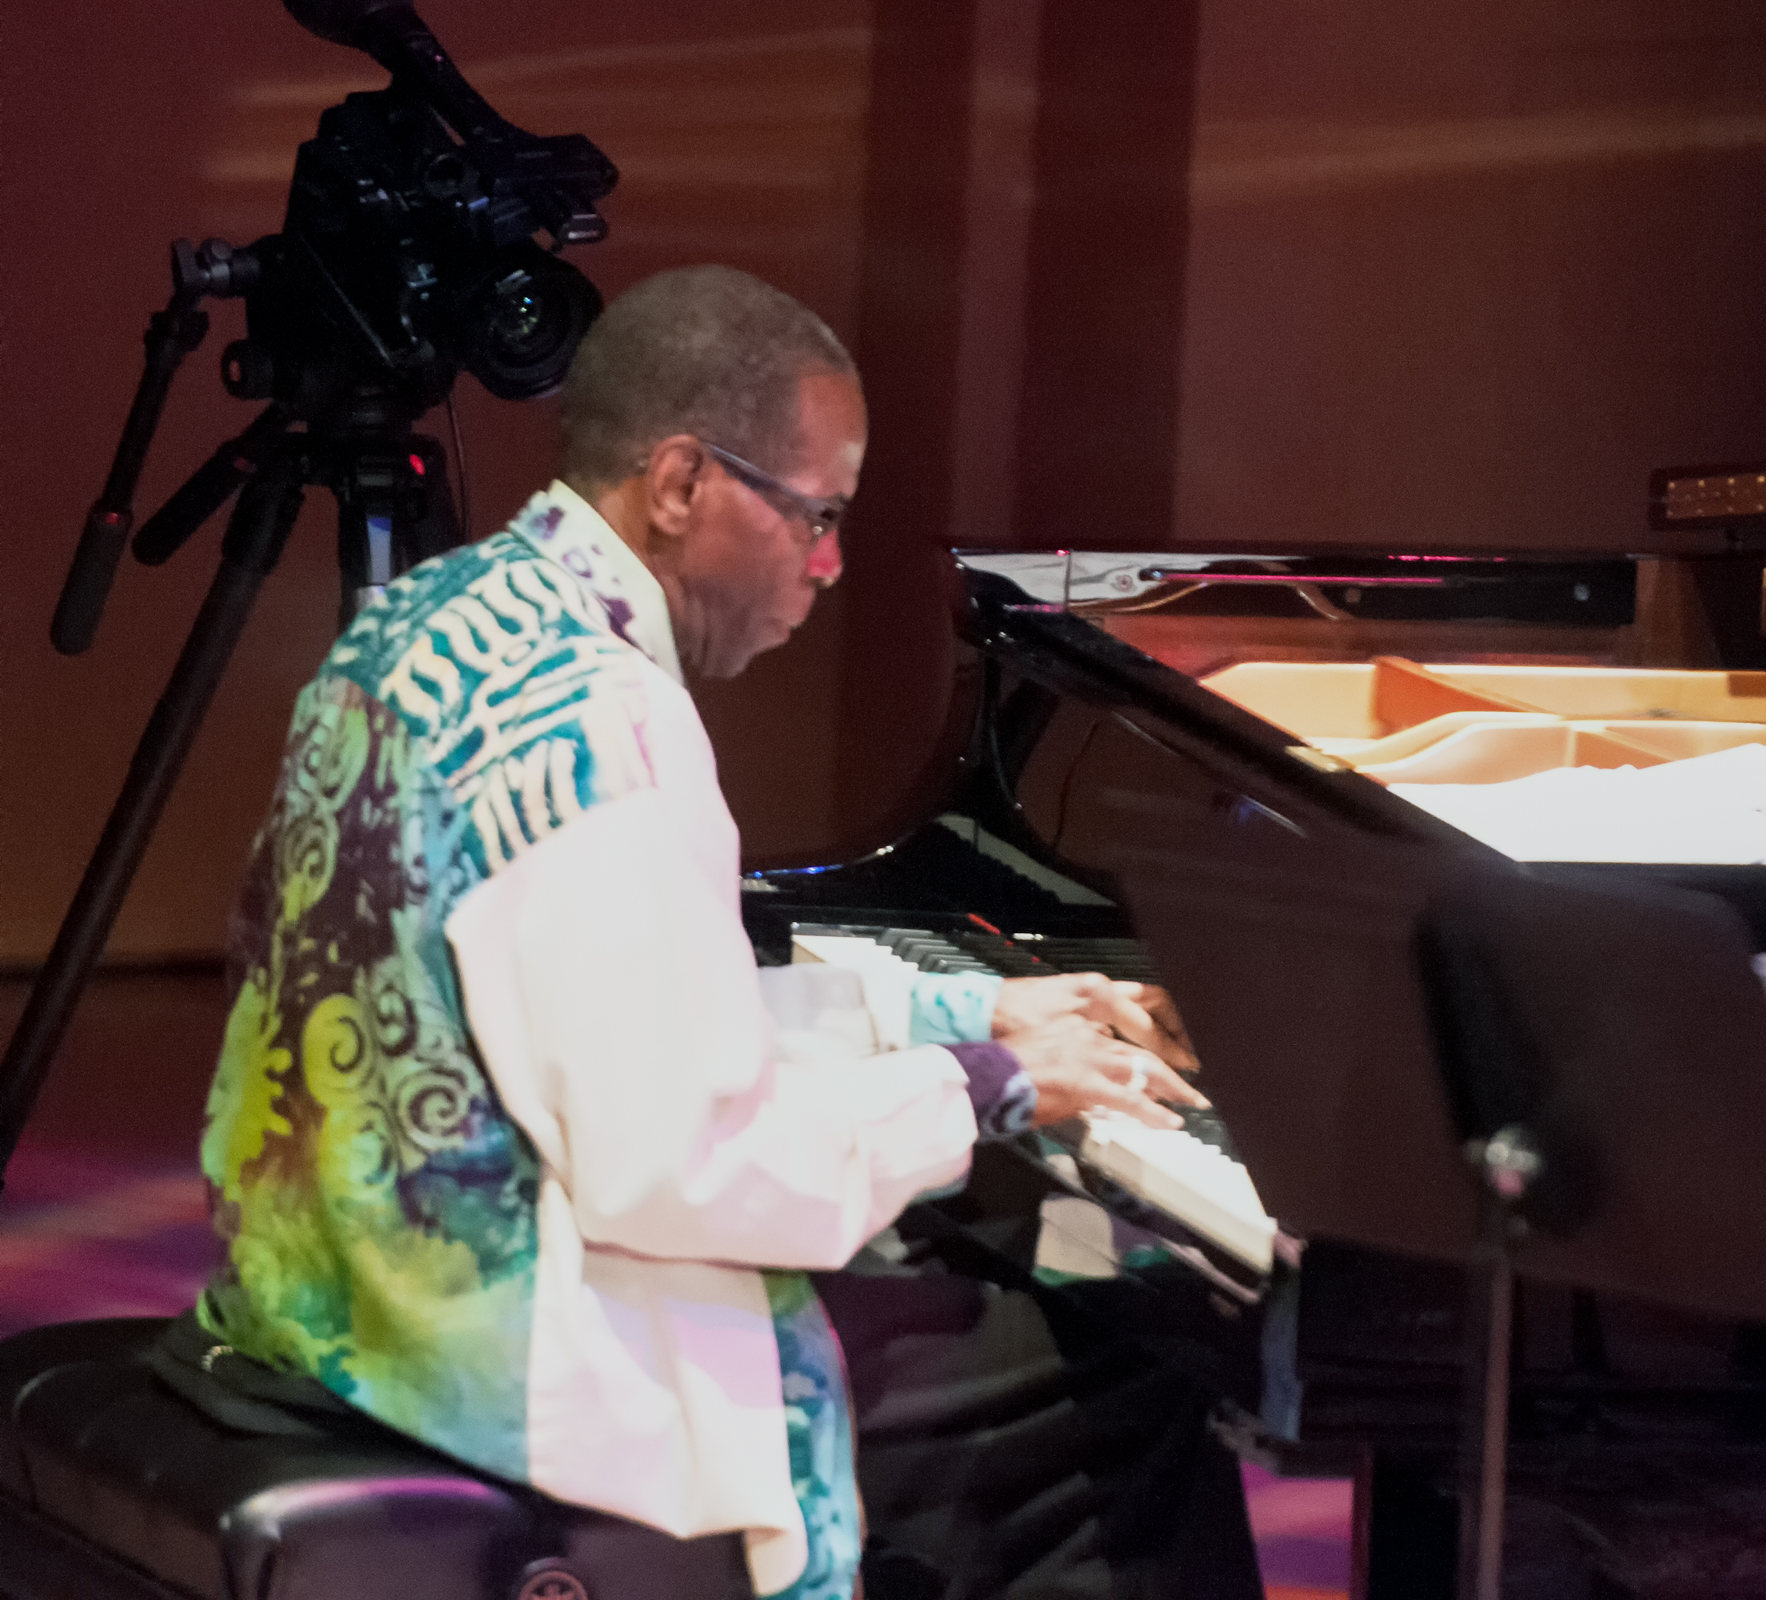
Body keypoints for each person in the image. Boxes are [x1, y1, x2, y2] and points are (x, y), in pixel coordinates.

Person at [191, 265, 1198, 1600]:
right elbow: (680, 1167)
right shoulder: (611, 724)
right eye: (817, 515)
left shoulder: (431, 621)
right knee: (1117, 1364)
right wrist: (991, 1086)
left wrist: (964, 1013)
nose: (833, 565)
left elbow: (594, 1036)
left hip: (318, 1292)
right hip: (485, 1355)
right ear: (678, 486)